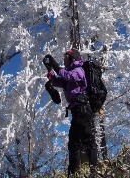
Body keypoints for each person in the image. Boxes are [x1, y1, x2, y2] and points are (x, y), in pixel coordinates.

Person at [44, 48, 98, 176]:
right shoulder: (68, 73)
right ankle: (73, 173)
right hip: (76, 111)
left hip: (83, 109)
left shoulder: (79, 70)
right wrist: (50, 70)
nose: (65, 61)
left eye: (66, 58)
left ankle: (95, 171)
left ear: (72, 58)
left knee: (88, 139)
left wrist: (56, 66)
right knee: (73, 143)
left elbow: (69, 76)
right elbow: (59, 81)